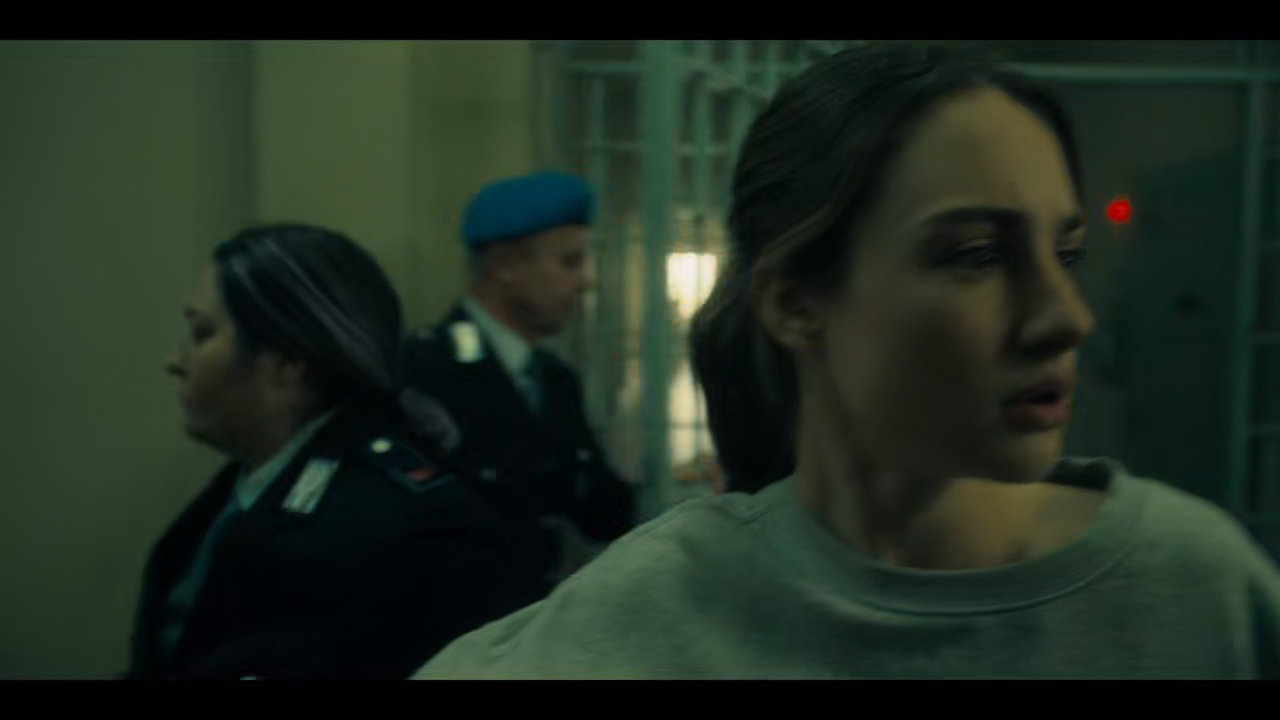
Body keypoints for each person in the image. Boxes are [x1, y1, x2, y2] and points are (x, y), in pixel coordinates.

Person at [413, 44, 1280, 679]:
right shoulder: (651, 613)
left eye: (1068, 254)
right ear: (796, 302)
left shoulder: (1198, 588)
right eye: (976, 255)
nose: (1067, 318)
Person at [127, 224, 543, 680]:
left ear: (286, 364)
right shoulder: (246, 489)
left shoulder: (416, 530)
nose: (175, 361)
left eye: (202, 333)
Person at [398, 172, 636, 595]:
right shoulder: (425, 371)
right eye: (569, 262)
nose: (586, 281)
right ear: (504, 266)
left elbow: (603, 515)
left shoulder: (555, 380)